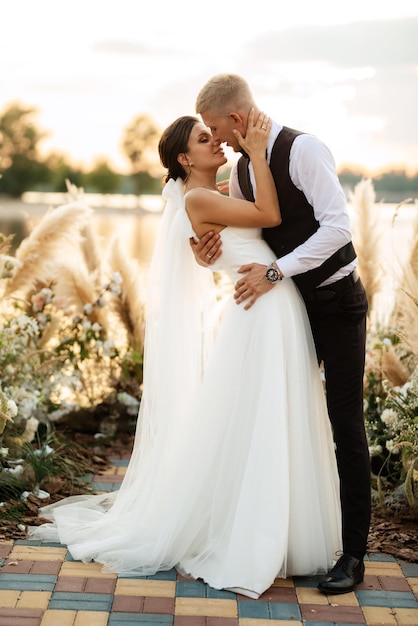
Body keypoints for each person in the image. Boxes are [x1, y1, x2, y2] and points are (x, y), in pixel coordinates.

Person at [28, 111, 342, 600]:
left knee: (273, 417)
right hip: (258, 310)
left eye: (213, 134)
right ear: (183, 157)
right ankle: (256, 536)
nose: (216, 143)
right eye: (203, 139)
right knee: (262, 418)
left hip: (269, 305)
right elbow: (269, 217)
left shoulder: (219, 194)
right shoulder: (197, 197)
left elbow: (250, 224)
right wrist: (257, 153)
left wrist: (211, 246)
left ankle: (281, 532)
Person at [192, 73, 370, 595]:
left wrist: (275, 273)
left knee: (345, 422)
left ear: (238, 119)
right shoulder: (247, 170)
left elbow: (338, 227)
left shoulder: (305, 150)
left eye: (214, 127)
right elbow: (246, 221)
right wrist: (204, 245)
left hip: (337, 306)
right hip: (289, 312)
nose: (216, 137)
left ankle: (354, 555)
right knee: (278, 416)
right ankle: (282, 538)